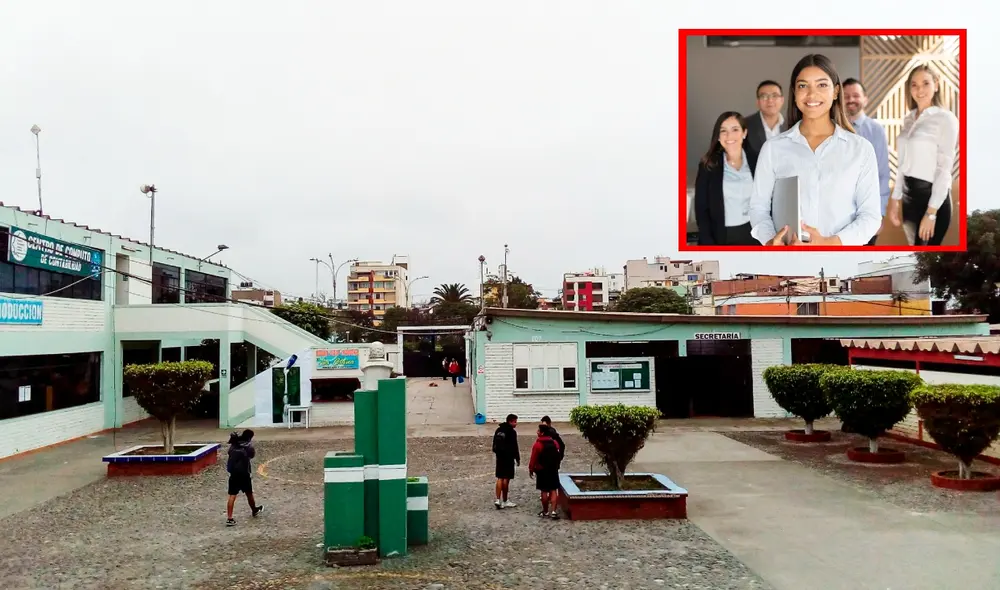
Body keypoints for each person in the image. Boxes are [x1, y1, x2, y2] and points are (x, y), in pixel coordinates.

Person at [749, 54, 882, 247]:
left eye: (821, 85)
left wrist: (831, 243)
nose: (811, 94)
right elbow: (758, 208)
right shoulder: (773, 149)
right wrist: (771, 241)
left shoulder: (860, 149)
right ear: (794, 92)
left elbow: (870, 216)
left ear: (836, 91)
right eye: (803, 86)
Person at [887, 64, 958, 246]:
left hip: (932, 198)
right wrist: (896, 199)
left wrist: (931, 212)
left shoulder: (946, 119)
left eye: (926, 83)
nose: (920, 90)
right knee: (915, 255)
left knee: (925, 259)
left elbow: (944, 168)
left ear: (936, 84)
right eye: (914, 85)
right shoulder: (909, 119)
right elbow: (903, 164)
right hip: (909, 198)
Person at [694, 111, 760, 245]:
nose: (729, 135)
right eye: (723, 131)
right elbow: (701, 209)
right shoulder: (708, 165)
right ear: (718, 136)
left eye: (735, 129)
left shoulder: (758, 161)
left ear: (744, 133)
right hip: (722, 236)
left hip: (755, 233)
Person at [842, 77, 891, 245]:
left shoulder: (876, 130)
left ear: (865, 99)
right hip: (838, 214)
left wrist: (880, 213)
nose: (851, 100)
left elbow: (883, 174)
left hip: (867, 212)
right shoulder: (832, 129)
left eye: (855, 95)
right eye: (846, 96)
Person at [226, 429, 263, 526]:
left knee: (232, 495)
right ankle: (254, 509)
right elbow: (252, 455)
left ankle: (229, 518)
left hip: (233, 473)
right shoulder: (248, 446)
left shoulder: (234, 444)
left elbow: (229, 453)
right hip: (244, 474)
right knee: (249, 493)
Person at [528, 423, 563, 519]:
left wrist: (531, 469)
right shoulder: (555, 443)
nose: (537, 432)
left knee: (544, 491)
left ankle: (545, 511)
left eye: (538, 431)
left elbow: (533, 459)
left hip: (542, 470)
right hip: (553, 469)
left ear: (542, 433)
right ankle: (554, 511)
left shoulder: (538, 445)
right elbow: (558, 454)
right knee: (553, 490)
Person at [744, 80, 786, 156]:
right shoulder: (745, 125)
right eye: (764, 96)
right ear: (758, 102)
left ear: (782, 100)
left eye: (774, 95)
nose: (770, 100)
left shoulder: (792, 125)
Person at [492, 414, 520, 509]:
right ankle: (505, 500)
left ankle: (497, 499)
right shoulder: (512, 432)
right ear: (510, 421)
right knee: (506, 479)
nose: (516, 423)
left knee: (500, 477)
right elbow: (515, 446)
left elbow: (494, 444)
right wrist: (517, 458)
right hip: (508, 457)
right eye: (515, 421)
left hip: (499, 457)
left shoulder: (498, 430)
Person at [539, 415, 565, 511]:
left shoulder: (551, 435)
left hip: (548, 463)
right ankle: (552, 508)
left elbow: (561, 446)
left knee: (547, 487)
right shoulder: (552, 434)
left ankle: (546, 508)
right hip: (553, 463)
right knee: (552, 485)